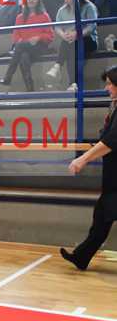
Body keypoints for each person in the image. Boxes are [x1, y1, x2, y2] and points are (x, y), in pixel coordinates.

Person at [60, 65, 117, 270]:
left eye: (110, 84)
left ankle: (82, 256)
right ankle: (81, 257)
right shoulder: (114, 106)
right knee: (102, 216)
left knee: (103, 214)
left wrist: (82, 159)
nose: (106, 88)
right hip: (113, 177)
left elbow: (111, 141)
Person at [0, 0, 54, 91]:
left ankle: (8, 77)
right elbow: (15, 35)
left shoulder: (44, 16)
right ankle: (30, 88)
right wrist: (20, 41)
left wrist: (38, 37)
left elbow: (50, 35)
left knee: (20, 48)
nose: (31, 1)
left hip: (39, 47)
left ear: (38, 1)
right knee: (23, 56)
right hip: (23, 47)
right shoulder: (20, 17)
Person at [47, 0, 98, 92]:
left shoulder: (89, 7)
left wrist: (77, 34)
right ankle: (73, 83)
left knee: (71, 45)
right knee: (71, 47)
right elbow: (57, 27)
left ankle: (58, 65)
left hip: (87, 39)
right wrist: (63, 35)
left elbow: (91, 26)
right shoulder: (62, 10)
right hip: (70, 41)